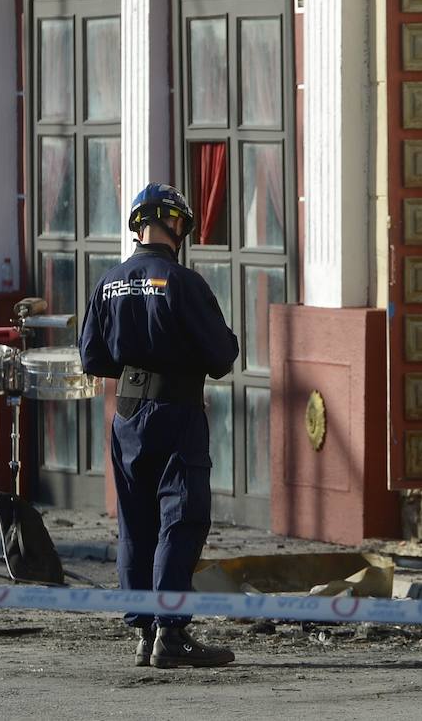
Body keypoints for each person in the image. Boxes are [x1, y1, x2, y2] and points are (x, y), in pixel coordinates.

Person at [80, 183, 240, 668]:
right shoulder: (182, 282)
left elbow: (92, 356)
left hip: (127, 416)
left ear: (136, 224)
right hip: (176, 412)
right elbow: (223, 356)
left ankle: (144, 631)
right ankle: (171, 633)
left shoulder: (108, 282)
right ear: (175, 223)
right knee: (182, 517)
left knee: (135, 522)